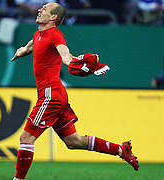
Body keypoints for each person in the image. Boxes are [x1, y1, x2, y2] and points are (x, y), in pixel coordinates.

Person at [10, 2, 138, 179]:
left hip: (50, 95)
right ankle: (121, 149)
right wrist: (21, 52)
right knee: (73, 141)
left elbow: (66, 56)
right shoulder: (39, 34)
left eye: (44, 9)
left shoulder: (55, 35)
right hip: (57, 94)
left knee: (26, 138)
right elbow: (30, 47)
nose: (40, 9)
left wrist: (79, 64)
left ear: (53, 17)